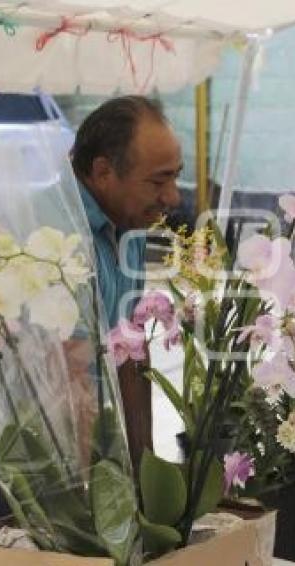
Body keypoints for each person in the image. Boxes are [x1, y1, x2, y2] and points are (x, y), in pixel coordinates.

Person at [70, 95, 183, 470]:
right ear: (103, 172)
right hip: (24, 470)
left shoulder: (127, 225)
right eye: (157, 181)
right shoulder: (58, 234)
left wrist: (144, 474)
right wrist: (82, 496)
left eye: (175, 176)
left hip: (90, 453)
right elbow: (68, 378)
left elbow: (131, 355)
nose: (172, 196)